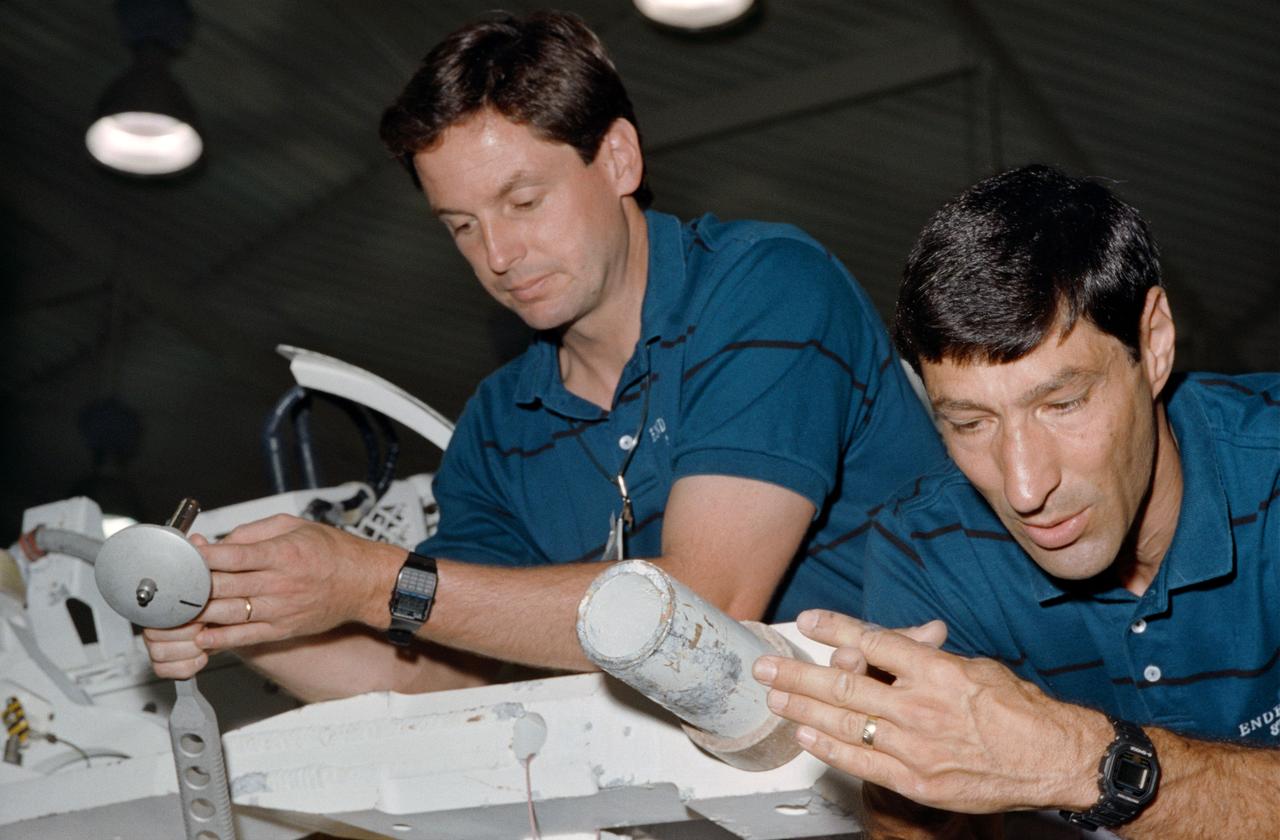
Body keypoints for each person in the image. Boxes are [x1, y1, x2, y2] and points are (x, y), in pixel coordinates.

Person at [144, 10, 944, 701]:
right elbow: (435, 669)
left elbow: (705, 610)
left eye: (523, 201)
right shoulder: (499, 427)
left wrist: (369, 579)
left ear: (619, 158)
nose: (497, 254)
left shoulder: (766, 286)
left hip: (928, 754)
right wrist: (239, 612)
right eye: (461, 226)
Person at [753, 164, 1280, 837]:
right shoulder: (930, 553)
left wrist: (1076, 761)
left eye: (1063, 404)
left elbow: (1070, 765)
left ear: (1153, 344)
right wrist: (901, 780)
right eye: (970, 423)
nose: (1025, 488)